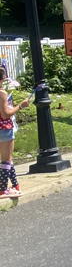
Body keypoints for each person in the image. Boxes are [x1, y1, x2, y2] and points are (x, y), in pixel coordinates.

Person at [0, 67, 29, 198]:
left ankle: (15, 185)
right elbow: (5, 114)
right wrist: (20, 106)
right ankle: (2, 189)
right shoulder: (2, 93)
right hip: (4, 128)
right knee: (6, 160)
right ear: (3, 79)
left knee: (9, 158)